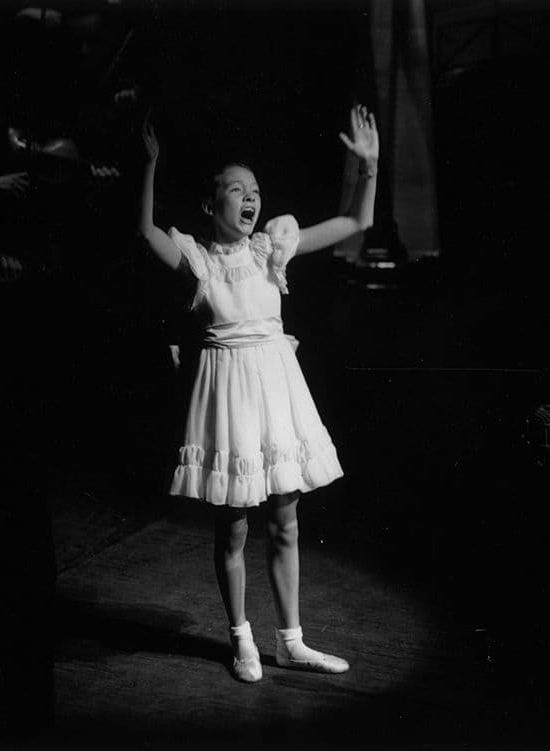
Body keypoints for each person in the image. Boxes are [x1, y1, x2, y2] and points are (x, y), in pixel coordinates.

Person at [138, 104, 379, 682]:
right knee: (236, 526)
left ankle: (292, 640)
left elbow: (352, 223)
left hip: (275, 390)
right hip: (229, 397)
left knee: (287, 520)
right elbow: (143, 231)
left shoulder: (272, 249)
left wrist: (368, 168)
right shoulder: (199, 261)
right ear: (209, 203)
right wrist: (147, 166)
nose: (250, 198)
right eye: (235, 189)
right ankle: (242, 637)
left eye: (255, 190)